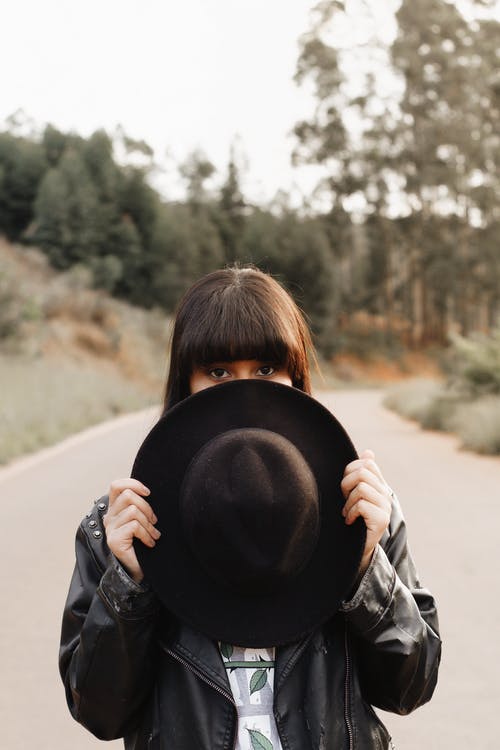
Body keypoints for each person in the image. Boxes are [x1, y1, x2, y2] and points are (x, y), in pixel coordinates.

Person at [59, 265, 441, 750]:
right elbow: (99, 713)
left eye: (266, 370)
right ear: (187, 383)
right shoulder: (117, 527)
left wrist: (367, 568)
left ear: (296, 375)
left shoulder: (363, 512)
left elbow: (410, 688)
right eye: (218, 372)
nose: (246, 390)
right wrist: (128, 586)